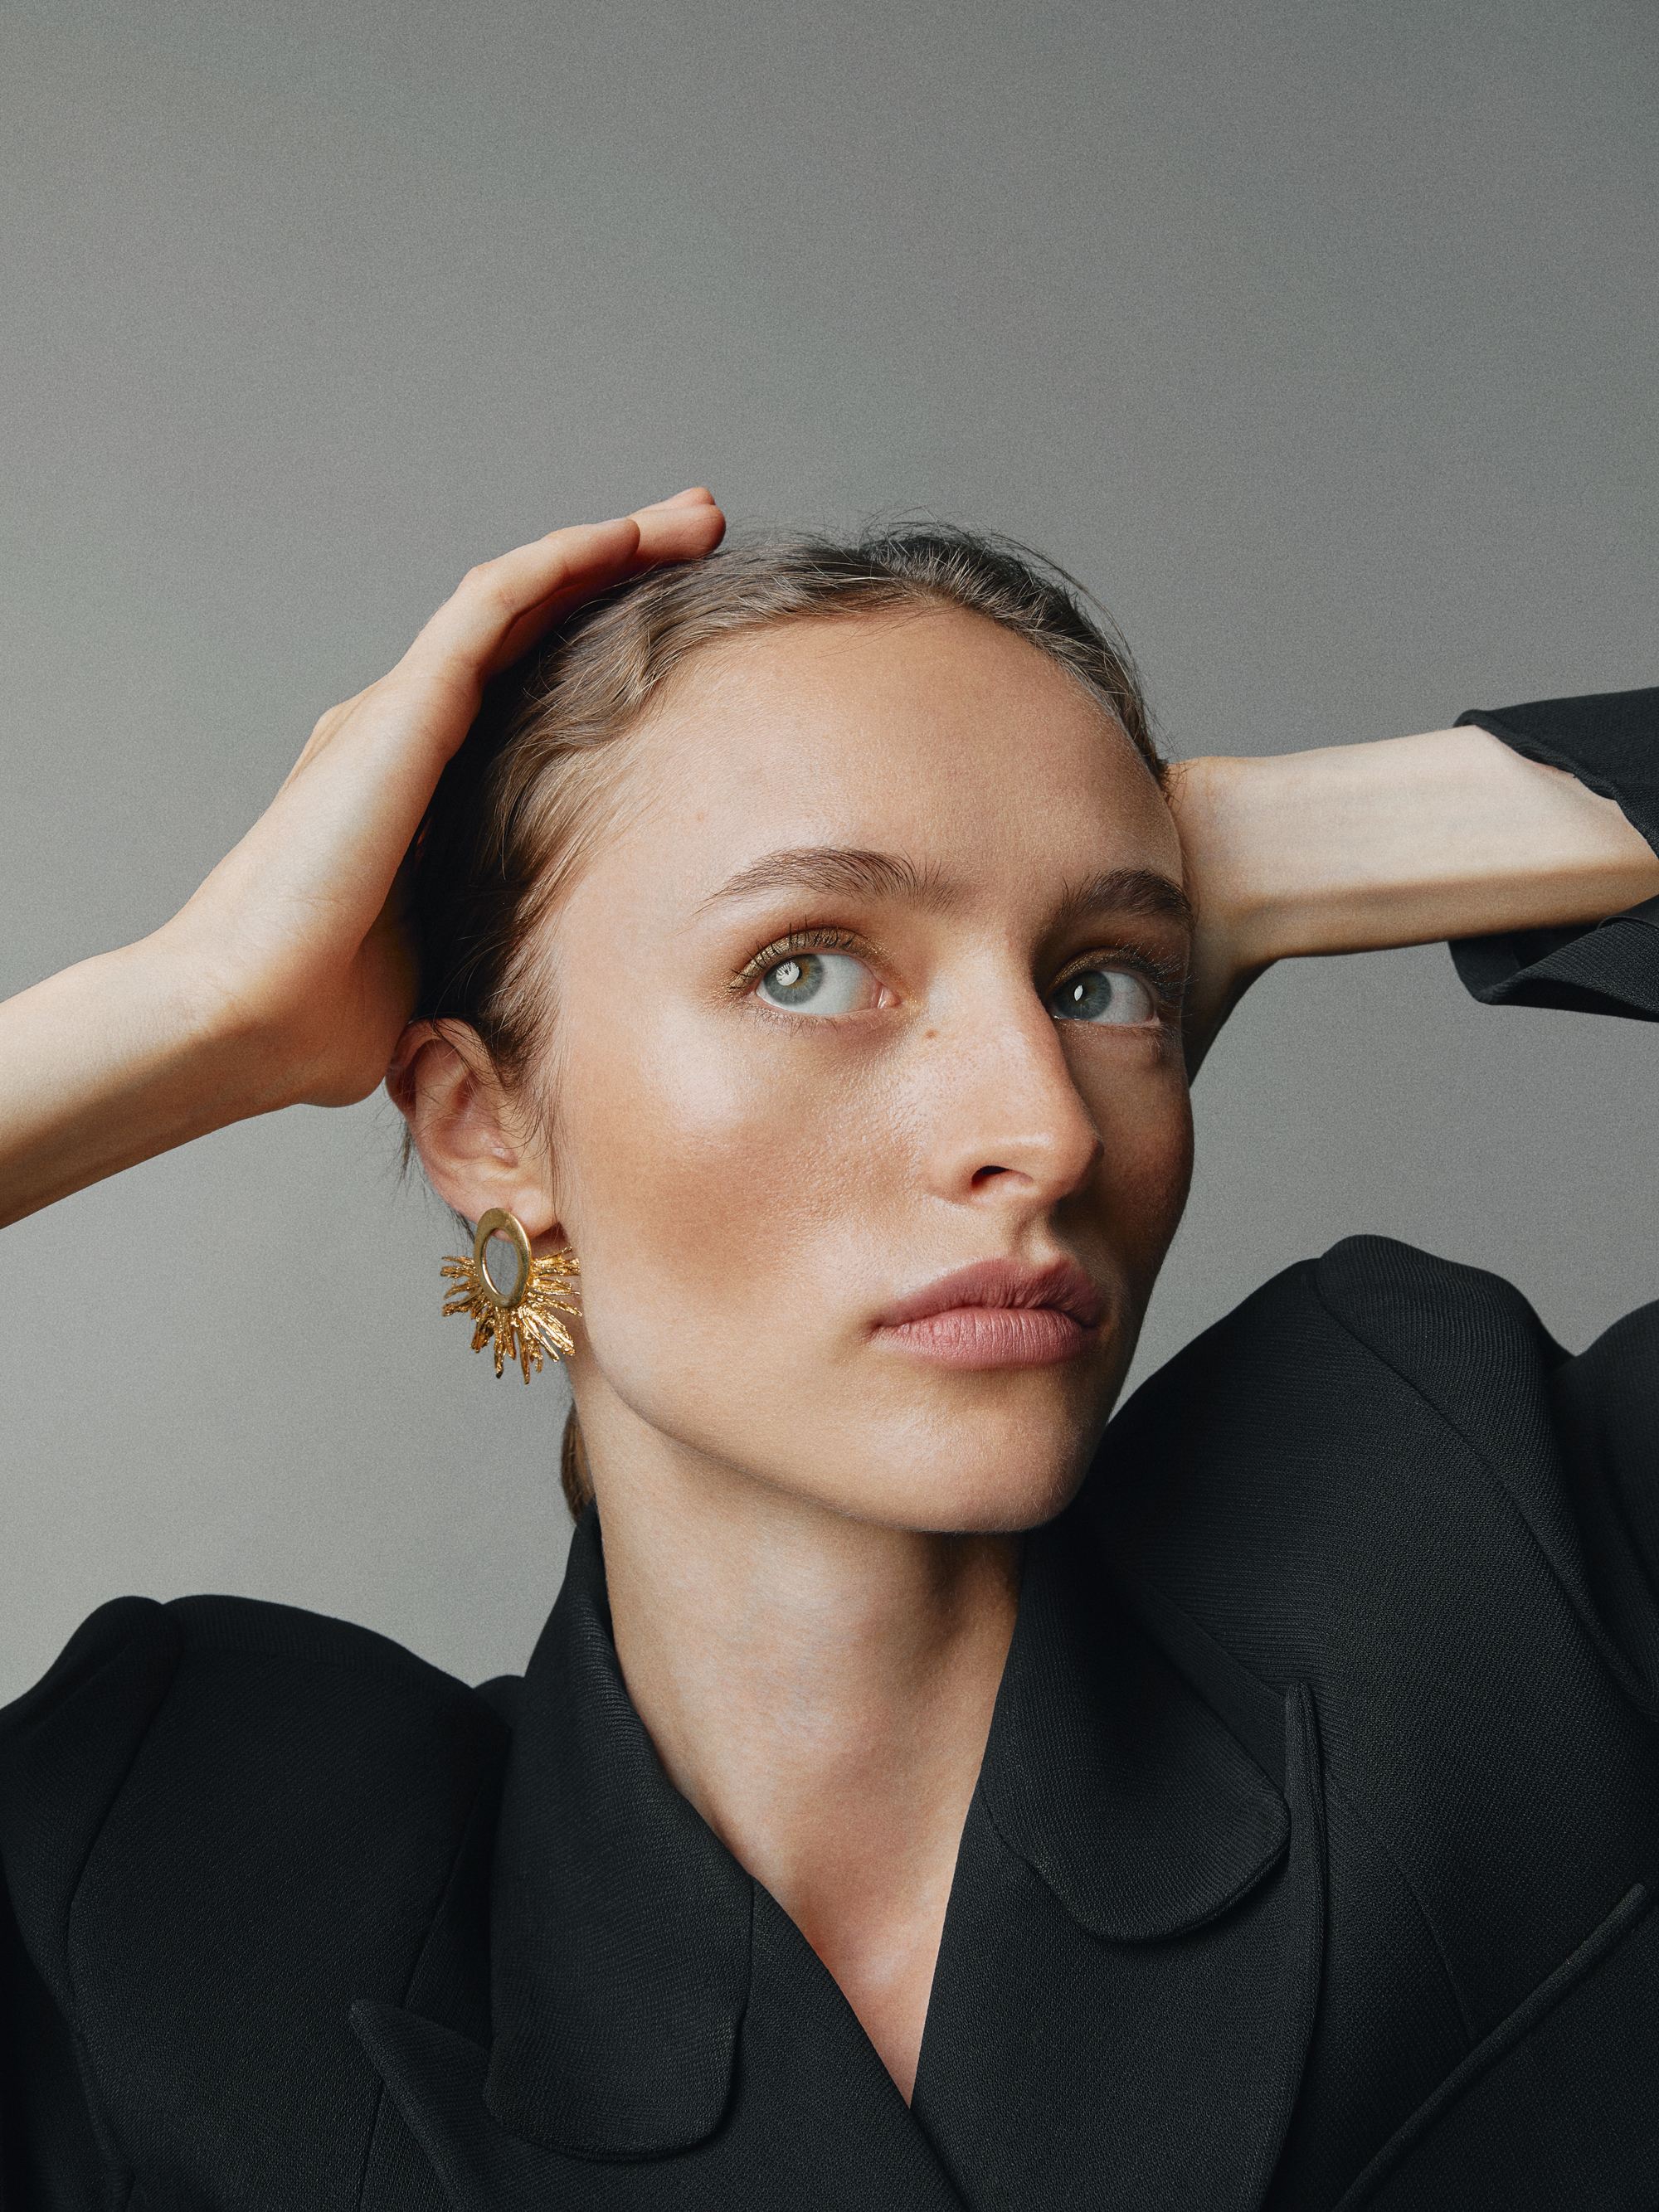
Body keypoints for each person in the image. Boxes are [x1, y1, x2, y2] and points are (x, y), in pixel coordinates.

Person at [1, 486, 1655, 2212]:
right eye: (806, 969)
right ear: (486, 1124)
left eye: (1102, 985)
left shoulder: (1484, 1554)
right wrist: (189, 1006)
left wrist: (1332, 834)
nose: (1045, 1131)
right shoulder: (194, 1893)